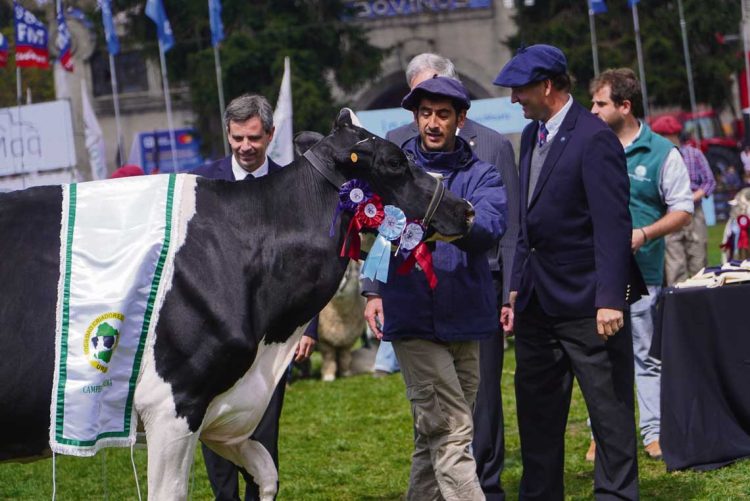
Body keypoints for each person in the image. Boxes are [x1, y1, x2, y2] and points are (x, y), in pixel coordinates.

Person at [495, 45, 641, 500]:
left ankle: (615, 495)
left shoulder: (594, 137)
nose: (514, 98)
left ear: (547, 86)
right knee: (537, 415)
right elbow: (526, 223)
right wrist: (514, 288)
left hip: (589, 305)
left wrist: (610, 298)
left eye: (520, 89)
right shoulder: (529, 137)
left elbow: (613, 224)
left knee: (609, 413)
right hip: (538, 305)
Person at [380, 52, 518, 500]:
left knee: (433, 434)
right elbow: (376, 237)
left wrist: (438, 218)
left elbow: (490, 228)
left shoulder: (484, 173)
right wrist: (370, 290)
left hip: (468, 317)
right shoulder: (394, 172)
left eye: (443, 114)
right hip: (413, 320)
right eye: (425, 114)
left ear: (461, 118)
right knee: (456, 428)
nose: (432, 123)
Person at [193, 93, 317, 501]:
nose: (245, 147)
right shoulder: (202, 185)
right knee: (213, 425)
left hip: (272, 335)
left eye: (253, 138)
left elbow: (307, 265)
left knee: (263, 427)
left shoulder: (293, 187)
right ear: (227, 134)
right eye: (237, 138)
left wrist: (308, 327)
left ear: (270, 134)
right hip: (213, 333)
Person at [590, 68, 693, 461]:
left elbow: (683, 208)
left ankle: (653, 432)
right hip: (595, 276)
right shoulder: (590, 145)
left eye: (600, 103)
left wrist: (645, 234)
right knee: (597, 357)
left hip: (643, 274)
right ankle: (602, 434)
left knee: (645, 355)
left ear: (625, 106)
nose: (593, 110)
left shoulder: (663, 152)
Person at [648, 115, 716, 285]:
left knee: (698, 260)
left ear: (675, 135)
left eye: (664, 135)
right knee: (674, 264)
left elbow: (709, 182)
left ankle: (702, 301)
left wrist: (689, 199)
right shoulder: (656, 159)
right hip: (669, 216)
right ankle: (679, 302)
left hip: (694, 214)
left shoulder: (694, 154)